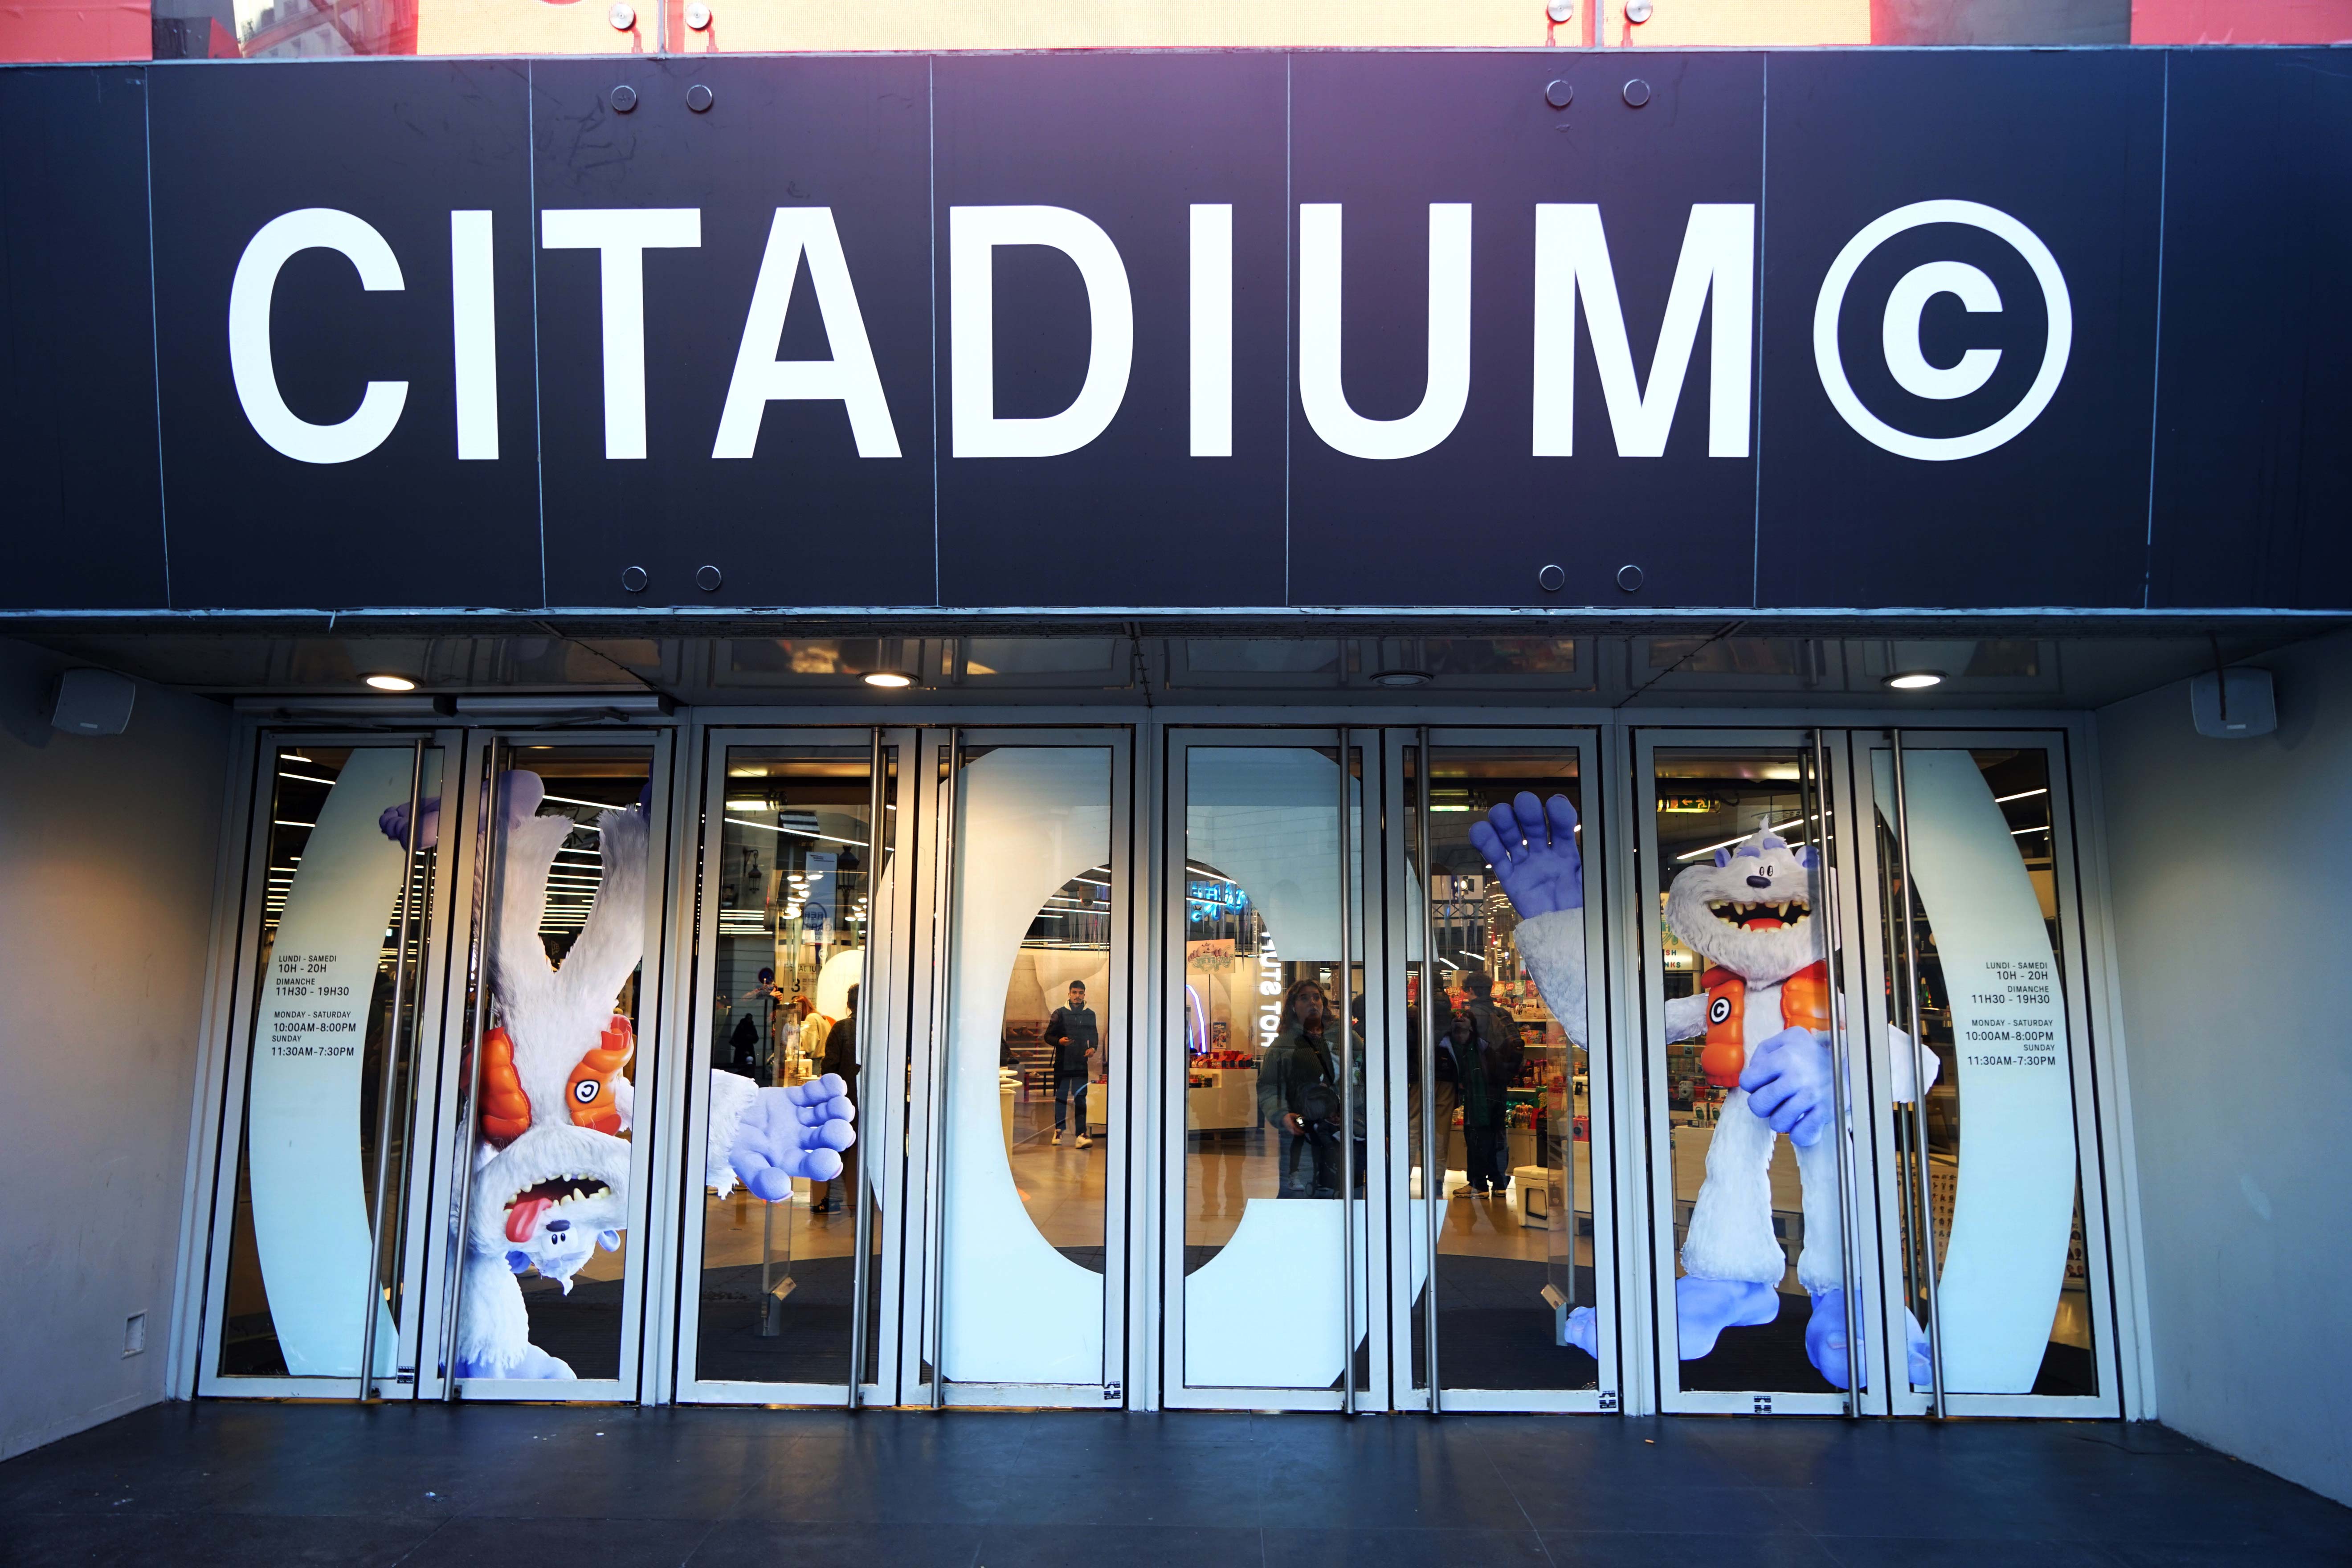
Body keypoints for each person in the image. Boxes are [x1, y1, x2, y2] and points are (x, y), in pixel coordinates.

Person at [1259, 978, 1349, 1198]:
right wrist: (1281, 1115)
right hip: (1300, 1121)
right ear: (1293, 1006)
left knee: (1342, 1191)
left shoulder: (1344, 1036)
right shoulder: (1283, 1045)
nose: (1312, 1002)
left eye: (1316, 997)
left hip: (1342, 1124)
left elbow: (1365, 1073)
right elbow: (1268, 1086)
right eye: (1304, 998)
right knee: (1300, 1196)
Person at [808, 985, 860, 1215]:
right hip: (878, 1102)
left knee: (840, 1148)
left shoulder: (842, 1028)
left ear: (849, 1004)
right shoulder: (883, 1028)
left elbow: (830, 1067)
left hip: (847, 1100)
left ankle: (833, 1200)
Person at [1446, 1009, 1507, 1197]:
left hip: (1480, 1102)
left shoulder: (1470, 1050)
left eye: (1461, 1032)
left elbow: (1473, 1078)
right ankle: (1499, 1183)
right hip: (1495, 1099)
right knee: (1495, 1141)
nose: (1459, 1036)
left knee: (1477, 1141)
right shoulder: (1485, 1045)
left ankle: (1478, 1185)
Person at [1042, 980, 1098, 1149]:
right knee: (1061, 1096)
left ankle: (1081, 1134)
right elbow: (1048, 1036)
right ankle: (1059, 1130)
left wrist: (1093, 1048)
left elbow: (1094, 1035)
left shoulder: (1090, 1014)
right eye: (1074, 992)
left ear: (1084, 994)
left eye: (1080, 993)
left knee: (1080, 1098)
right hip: (1063, 1063)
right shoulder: (1059, 1013)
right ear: (1069, 994)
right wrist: (1059, 1041)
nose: (1077, 996)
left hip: (1081, 1063)